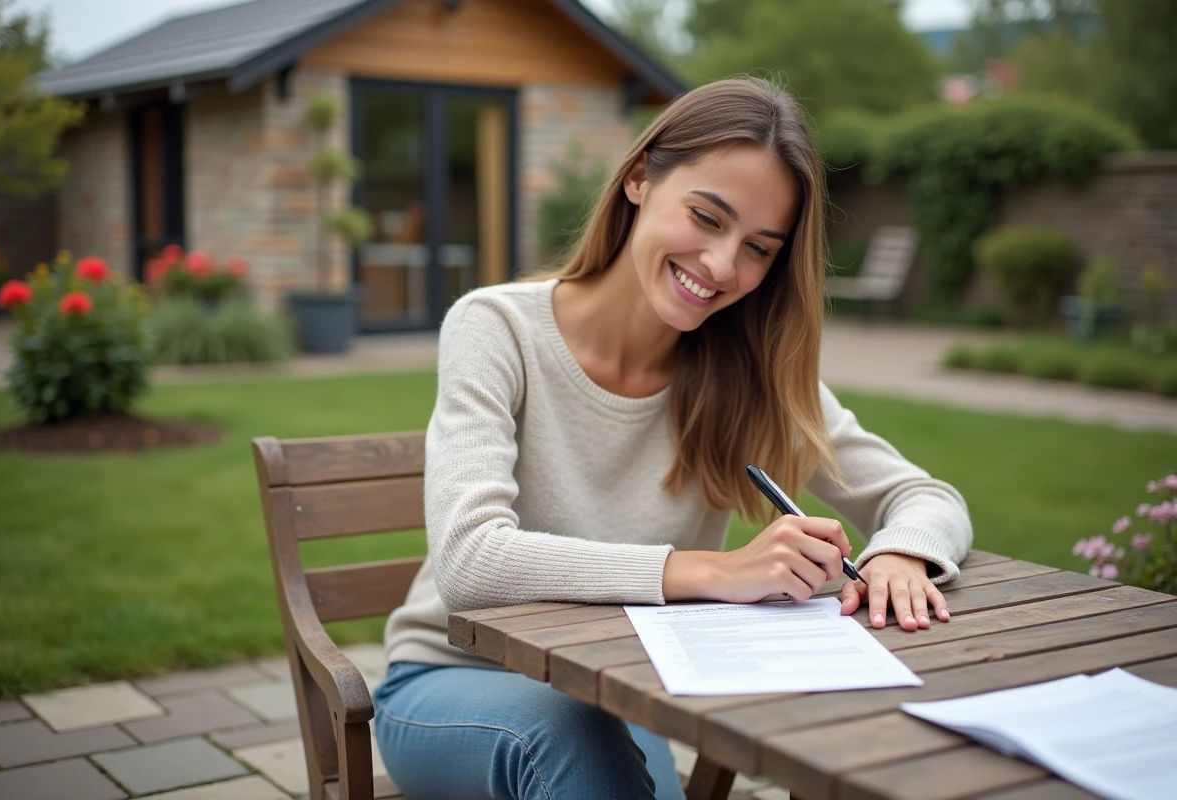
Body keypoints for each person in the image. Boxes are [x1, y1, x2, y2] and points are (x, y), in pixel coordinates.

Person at [373, 76, 972, 800]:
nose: (722, 266)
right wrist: (712, 574)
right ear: (638, 177)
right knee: (571, 741)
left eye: (758, 248)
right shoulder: (496, 328)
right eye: (707, 217)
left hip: (616, 695)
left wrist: (902, 552)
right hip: (453, 683)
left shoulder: (749, 374)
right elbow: (470, 561)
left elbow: (922, 495)